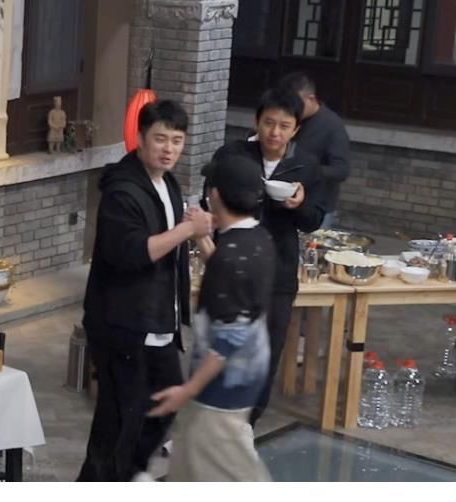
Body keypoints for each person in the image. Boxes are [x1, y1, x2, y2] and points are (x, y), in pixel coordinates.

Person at [78, 100, 213, 481]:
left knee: (165, 403)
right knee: (119, 422)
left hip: (158, 321)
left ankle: (131, 475)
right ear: (139, 138)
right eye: (160, 139)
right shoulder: (122, 192)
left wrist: (191, 230)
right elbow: (134, 253)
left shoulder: (167, 183)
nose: (169, 149)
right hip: (123, 324)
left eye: (177, 140)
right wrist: (188, 230)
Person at [149, 155, 276, 482]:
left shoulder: (231, 257)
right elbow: (232, 280)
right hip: (246, 380)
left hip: (221, 390)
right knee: (192, 461)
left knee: (228, 472)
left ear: (214, 194)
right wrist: (202, 236)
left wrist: (187, 389)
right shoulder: (259, 240)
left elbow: (229, 338)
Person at [203, 89, 326, 426]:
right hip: (232, 267)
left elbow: (314, 220)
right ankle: (211, 423)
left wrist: (299, 205)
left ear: (296, 129)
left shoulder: (306, 164)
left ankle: (244, 425)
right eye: (269, 123)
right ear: (257, 121)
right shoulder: (233, 155)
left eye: (284, 126)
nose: (275, 132)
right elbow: (209, 197)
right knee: (221, 348)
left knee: (265, 356)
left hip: (279, 273)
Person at [276, 72, 350, 229]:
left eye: (296, 103)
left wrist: (306, 169)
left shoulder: (332, 126)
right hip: (285, 201)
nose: (292, 109)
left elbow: (341, 170)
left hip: (316, 206)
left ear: (311, 99)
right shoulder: (290, 119)